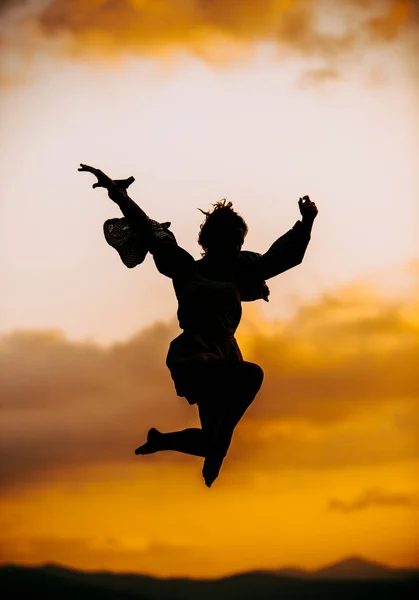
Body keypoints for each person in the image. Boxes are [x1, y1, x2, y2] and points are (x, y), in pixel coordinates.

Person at [78, 163, 318, 487]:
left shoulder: (241, 273)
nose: (235, 247)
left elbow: (280, 257)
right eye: (228, 239)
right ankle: (221, 445)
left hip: (223, 357)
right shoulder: (186, 268)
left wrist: (305, 223)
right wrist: (117, 193)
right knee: (252, 377)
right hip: (194, 357)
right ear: (210, 241)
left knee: (208, 440)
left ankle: (162, 440)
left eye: (239, 240)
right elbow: (149, 229)